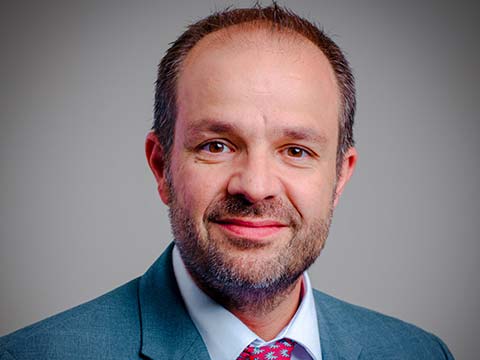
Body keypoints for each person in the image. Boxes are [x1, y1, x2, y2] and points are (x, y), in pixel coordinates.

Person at [0, 3, 454, 359]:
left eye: (296, 151)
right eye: (217, 145)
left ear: (339, 177)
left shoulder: (418, 353)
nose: (255, 187)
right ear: (162, 167)